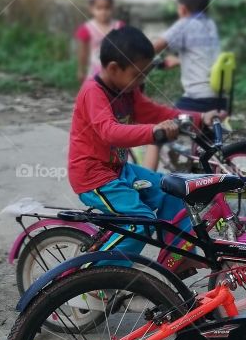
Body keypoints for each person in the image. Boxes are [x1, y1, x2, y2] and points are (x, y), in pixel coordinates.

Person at [67, 25, 219, 261]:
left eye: (145, 74)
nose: (142, 81)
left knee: (173, 190)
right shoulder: (93, 92)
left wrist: (198, 118)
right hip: (93, 177)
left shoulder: (128, 91)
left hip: (120, 171)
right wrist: (154, 132)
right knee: (141, 223)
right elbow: (110, 132)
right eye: (137, 75)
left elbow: (155, 112)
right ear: (114, 69)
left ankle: (176, 260)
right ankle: (95, 279)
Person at [144, 0, 223, 170]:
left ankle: (148, 184)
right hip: (219, 98)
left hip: (198, 100)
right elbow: (203, 54)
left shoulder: (185, 24)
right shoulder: (209, 24)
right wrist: (180, 60)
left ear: (183, 8)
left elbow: (152, 48)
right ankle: (206, 174)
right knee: (206, 143)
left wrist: (132, 58)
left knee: (157, 130)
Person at [73, 0, 124, 83]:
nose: (103, 12)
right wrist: (81, 70)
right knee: (96, 91)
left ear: (112, 8)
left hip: (115, 70)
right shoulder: (87, 28)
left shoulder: (119, 26)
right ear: (91, 9)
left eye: (107, 8)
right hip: (95, 69)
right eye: (99, 8)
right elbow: (83, 52)